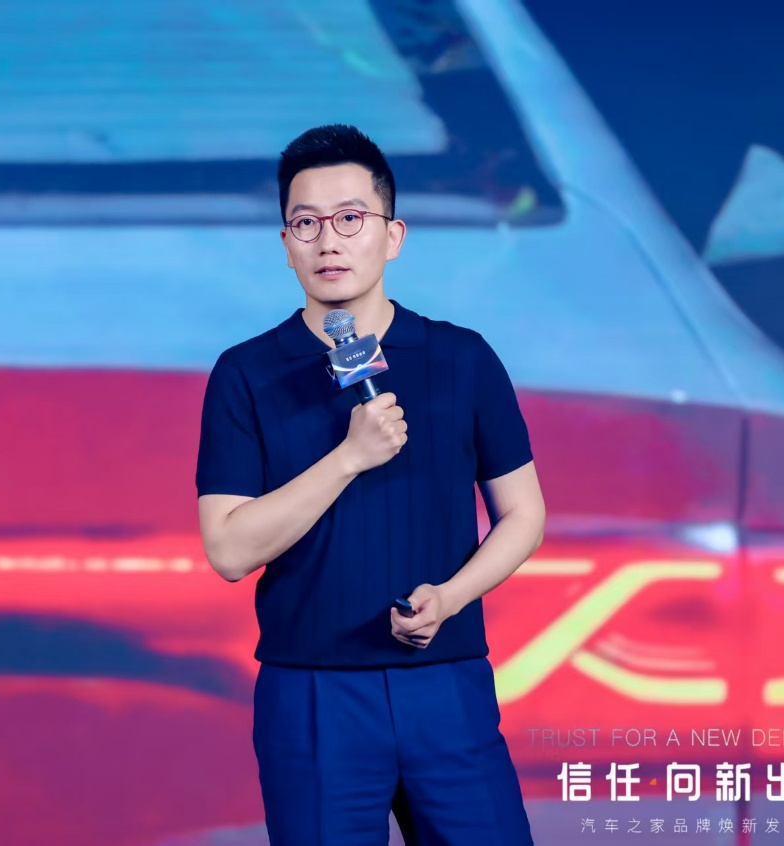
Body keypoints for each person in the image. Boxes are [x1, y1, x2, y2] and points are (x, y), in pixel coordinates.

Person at [195, 124, 546, 845]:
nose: (329, 242)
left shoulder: (462, 358)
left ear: (393, 235)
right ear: (286, 243)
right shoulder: (246, 373)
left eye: (351, 219)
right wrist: (348, 458)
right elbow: (229, 551)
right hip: (312, 692)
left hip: (446, 681)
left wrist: (452, 597)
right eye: (307, 223)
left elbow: (523, 515)